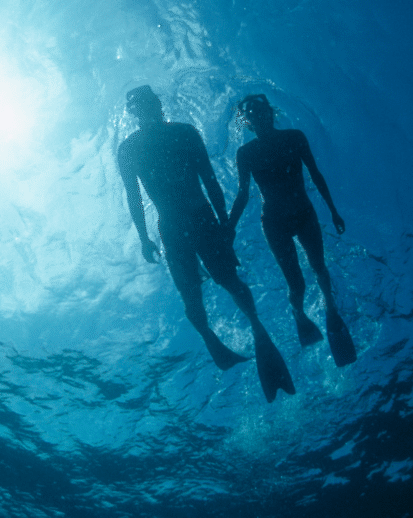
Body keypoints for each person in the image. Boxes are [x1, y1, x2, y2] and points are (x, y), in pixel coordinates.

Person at [117, 85, 295, 402]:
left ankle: (258, 331)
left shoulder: (184, 133)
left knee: (229, 280)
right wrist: (144, 239)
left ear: (158, 105)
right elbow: (133, 197)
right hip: (173, 227)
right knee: (191, 295)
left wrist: (225, 222)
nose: (152, 108)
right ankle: (214, 341)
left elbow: (209, 178)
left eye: (154, 102)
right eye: (145, 105)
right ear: (136, 112)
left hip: (201, 220)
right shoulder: (130, 149)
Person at [228, 94, 357, 367]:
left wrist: (333, 210)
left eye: (260, 110)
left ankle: (331, 310)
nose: (257, 115)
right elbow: (242, 195)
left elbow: (315, 173)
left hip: (304, 214)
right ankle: (299, 314)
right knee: (296, 283)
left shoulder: (294, 137)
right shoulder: (246, 153)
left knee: (319, 267)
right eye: (251, 113)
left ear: (270, 112)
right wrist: (229, 228)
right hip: (274, 223)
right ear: (247, 121)